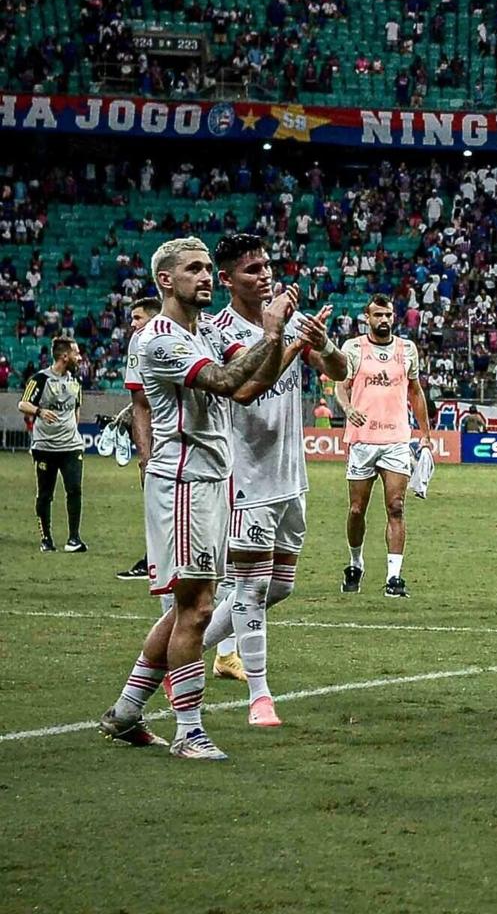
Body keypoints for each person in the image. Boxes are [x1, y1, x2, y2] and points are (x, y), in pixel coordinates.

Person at [98, 236, 316, 761]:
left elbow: (251, 386)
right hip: (183, 482)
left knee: (187, 607)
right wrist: (271, 331)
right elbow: (227, 381)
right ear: (166, 281)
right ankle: (189, 731)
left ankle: (127, 711)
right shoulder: (162, 339)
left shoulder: (201, 334)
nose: (203, 276)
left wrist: (287, 341)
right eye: (193, 269)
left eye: (205, 268)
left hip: (213, 481)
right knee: (196, 609)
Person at [199, 233, 348, 726]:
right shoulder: (216, 331)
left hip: (290, 475)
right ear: (226, 280)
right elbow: (240, 389)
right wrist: (284, 337)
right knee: (252, 587)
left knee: (279, 588)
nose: (263, 275)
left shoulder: (287, 320)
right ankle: (260, 698)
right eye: (250, 270)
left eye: (265, 266)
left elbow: (339, 368)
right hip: (245, 475)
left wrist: (320, 342)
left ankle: (182, 643)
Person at [337, 295, 431, 598]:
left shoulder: (407, 350)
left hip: (396, 439)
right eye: (378, 315)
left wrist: (426, 434)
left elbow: (416, 393)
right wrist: (348, 408)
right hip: (362, 439)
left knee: (396, 507)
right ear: (367, 318)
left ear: (395, 316)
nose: (384, 320)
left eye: (388, 314)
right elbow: (341, 386)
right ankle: (355, 562)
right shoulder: (353, 348)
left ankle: (394, 577)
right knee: (356, 510)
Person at [22, 335, 87, 552]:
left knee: (75, 489)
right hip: (45, 447)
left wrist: (72, 431)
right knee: (45, 494)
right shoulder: (40, 379)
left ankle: (74, 539)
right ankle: (46, 539)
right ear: (64, 356)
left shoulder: (75, 382)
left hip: (71, 446)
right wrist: (40, 411)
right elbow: (23, 404)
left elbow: (77, 409)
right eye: (76, 352)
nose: (80, 357)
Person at [114, 297, 162, 582]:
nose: (133, 325)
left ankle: (154, 561)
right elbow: (142, 401)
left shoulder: (144, 339)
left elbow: (141, 401)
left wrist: (145, 456)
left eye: (137, 318)